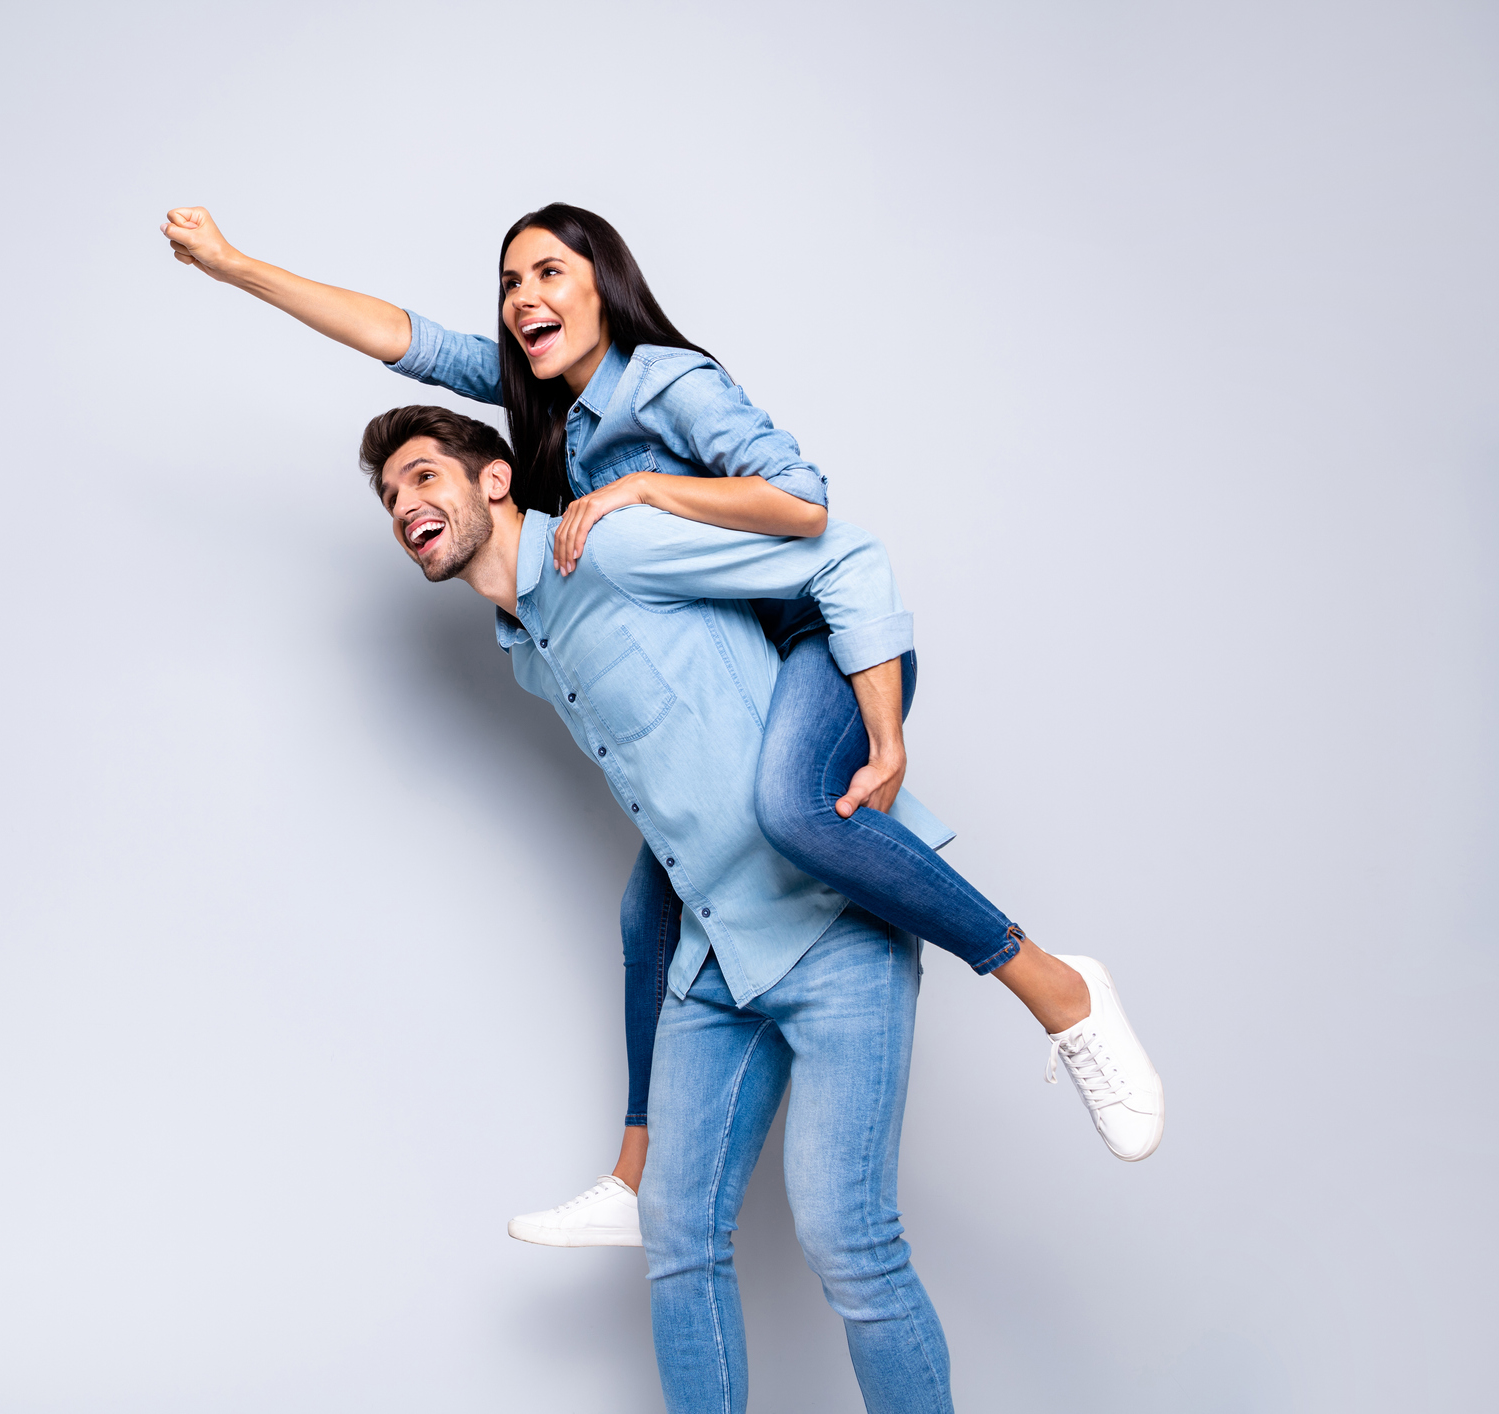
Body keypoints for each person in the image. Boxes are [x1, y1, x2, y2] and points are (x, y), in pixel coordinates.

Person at [159, 204, 1165, 1250]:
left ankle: (1055, 985)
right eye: (509, 283)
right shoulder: (532, 400)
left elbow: (812, 512)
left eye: (549, 271)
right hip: (751, 670)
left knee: (791, 805)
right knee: (650, 914)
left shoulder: (669, 384)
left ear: (604, 282)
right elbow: (391, 332)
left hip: (825, 636)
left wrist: (649, 492)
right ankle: (636, 1178)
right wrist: (235, 268)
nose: (523, 298)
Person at [363, 403, 981, 1411]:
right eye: (390, 498)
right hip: (717, 955)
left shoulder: (609, 548)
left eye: (424, 476)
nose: (405, 505)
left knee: (847, 1238)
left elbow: (838, 554)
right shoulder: (524, 642)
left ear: (493, 480)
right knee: (677, 1235)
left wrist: (881, 734)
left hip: (834, 928)